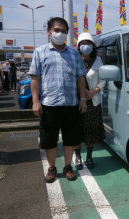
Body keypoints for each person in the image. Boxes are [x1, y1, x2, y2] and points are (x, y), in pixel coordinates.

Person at [28, 17, 87, 183]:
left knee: (70, 139)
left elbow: (80, 78)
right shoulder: (40, 52)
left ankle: (68, 167)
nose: (60, 33)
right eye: (57, 30)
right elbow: (35, 79)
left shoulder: (74, 53)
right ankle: (52, 168)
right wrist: (35, 101)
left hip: (71, 105)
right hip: (49, 105)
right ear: (48, 31)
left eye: (63, 31)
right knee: (49, 140)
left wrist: (82, 99)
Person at [74, 32, 105, 170]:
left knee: (91, 130)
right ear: (78, 45)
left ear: (93, 46)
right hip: (76, 101)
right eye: (83, 43)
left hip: (93, 101)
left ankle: (89, 157)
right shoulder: (74, 59)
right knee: (76, 130)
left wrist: (94, 91)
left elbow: (103, 79)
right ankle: (78, 157)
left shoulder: (98, 61)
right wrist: (81, 93)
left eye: (88, 43)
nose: (85, 46)